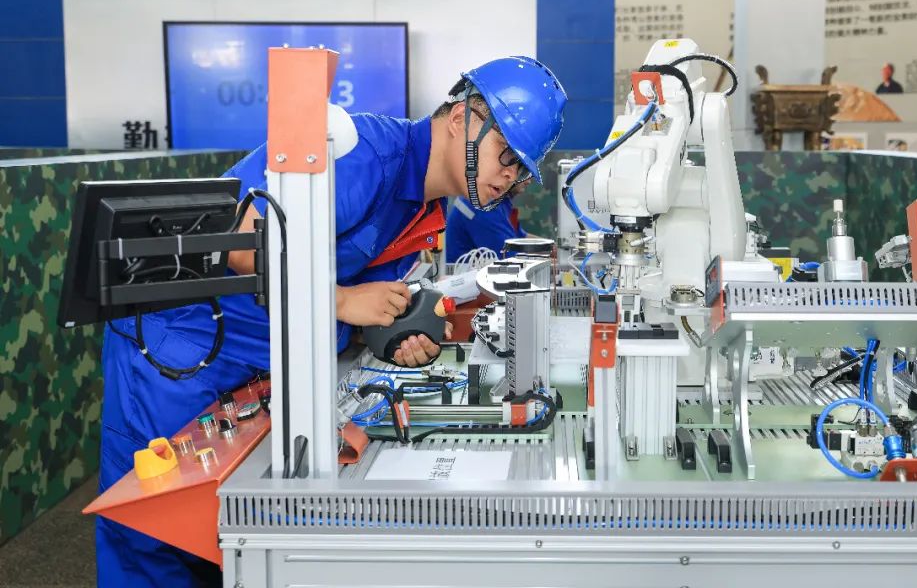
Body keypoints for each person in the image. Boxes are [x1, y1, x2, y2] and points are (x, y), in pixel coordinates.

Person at [96, 56, 567, 586]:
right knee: (154, 539)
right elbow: (234, 237)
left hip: (258, 369)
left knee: (221, 540)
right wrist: (342, 301)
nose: (509, 176)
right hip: (179, 353)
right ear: (462, 117)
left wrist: (393, 334)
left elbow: (355, 299)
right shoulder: (364, 154)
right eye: (506, 154)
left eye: (521, 169)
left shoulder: (424, 209)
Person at [444, 180, 529, 265]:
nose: (528, 182)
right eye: (525, 174)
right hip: (463, 271)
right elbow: (511, 258)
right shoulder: (485, 204)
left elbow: (521, 237)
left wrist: (538, 245)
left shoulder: (500, 200)